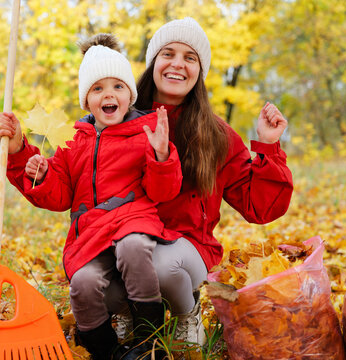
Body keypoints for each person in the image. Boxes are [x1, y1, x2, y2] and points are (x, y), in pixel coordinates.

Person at [0, 34, 183, 359]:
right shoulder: (73, 142)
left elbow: (164, 191)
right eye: (97, 88)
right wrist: (30, 163)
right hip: (90, 236)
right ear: (87, 99)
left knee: (134, 246)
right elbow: (58, 195)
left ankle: (149, 342)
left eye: (117, 87)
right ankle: (108, 352)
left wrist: (162, 155)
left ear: (130, 95)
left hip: (131, 224)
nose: (108, 94)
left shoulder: (145, 134)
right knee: (82, 284)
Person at [105, 17, 293, 345]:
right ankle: (124, 313)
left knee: (160, 266)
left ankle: (186, 313)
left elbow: (259, 206)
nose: (178, 64)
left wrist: (268, 145)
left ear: (199, 72)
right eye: (168, 54)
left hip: (184, 248)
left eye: (189, 58)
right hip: (129, 240)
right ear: (153, 64)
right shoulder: (121, 120)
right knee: (102, 264)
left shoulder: (215, 134)